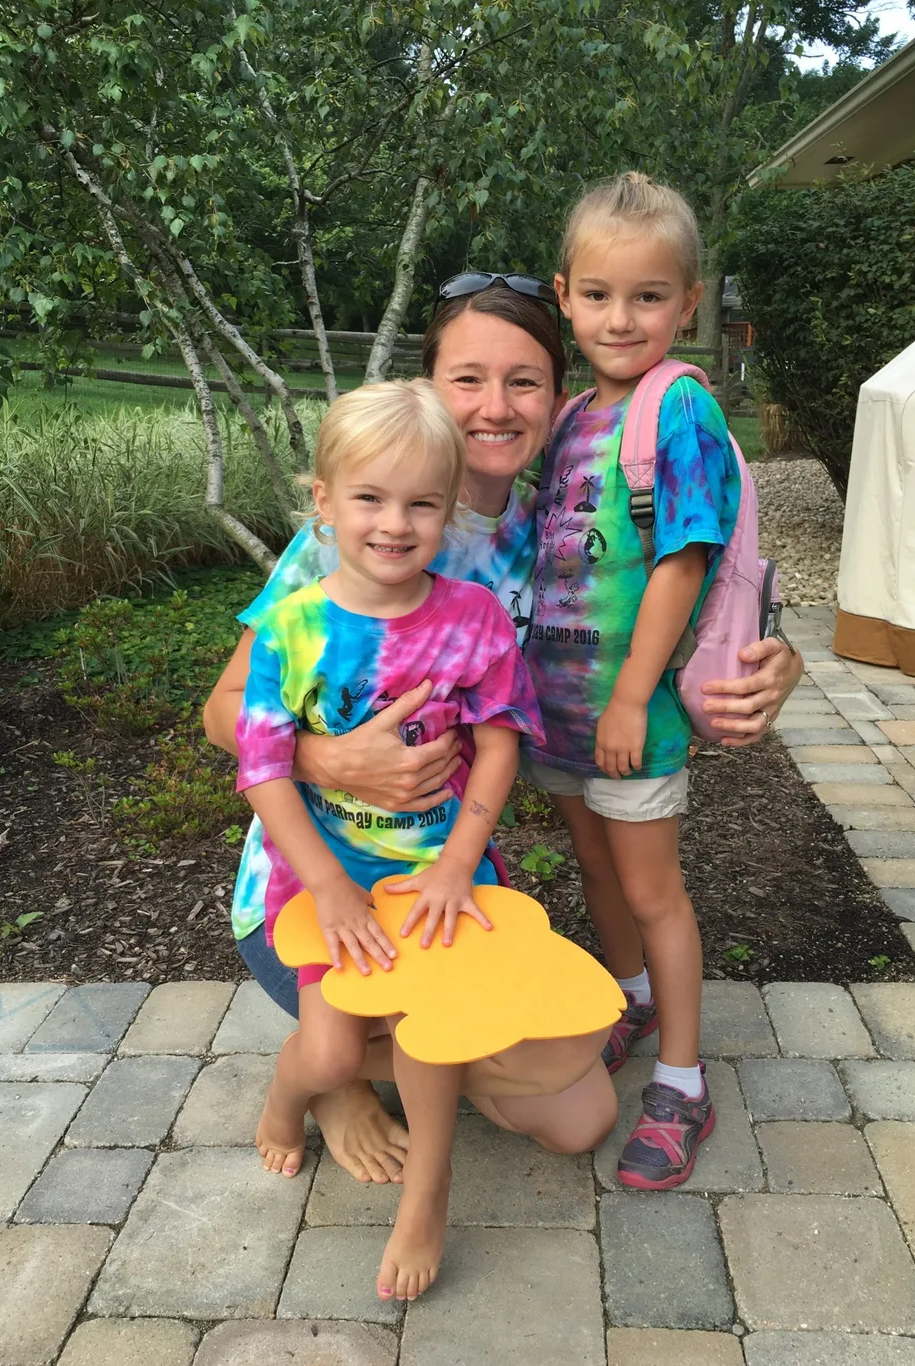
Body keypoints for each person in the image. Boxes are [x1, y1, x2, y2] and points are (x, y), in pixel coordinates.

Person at [203, 274, 804, 1186]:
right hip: (310, 888)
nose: (495, 407)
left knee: (576, 1118)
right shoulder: (363, 530)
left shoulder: (553, 530)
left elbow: (679, 586)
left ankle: (378, 1054)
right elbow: (225, 714)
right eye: (468, 379)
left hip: (443, 878)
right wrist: (331, 759)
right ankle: (331, 1077)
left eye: (524, 381)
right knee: (390, 1045)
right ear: (432, 389)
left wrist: (776, 655)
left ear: (557, 399)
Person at [236, 379, 544, 1300]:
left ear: (451, 513)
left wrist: (459, 863)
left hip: (438, 871)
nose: (395, 523)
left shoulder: (475, 620)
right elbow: (263, 770)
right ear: (323, 502)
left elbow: (499, 745)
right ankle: (288, 1101)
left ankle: (429, 1193)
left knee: (436, 1021)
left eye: (422, 503)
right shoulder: (290, 627)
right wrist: (327, 886)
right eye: (369, 498)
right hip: (328, 875)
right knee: (329, 1054)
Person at [521, 171, 758, 1190]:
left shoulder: (680, 408)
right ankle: (629, 1000)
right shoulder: (572, 413)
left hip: (636, 716)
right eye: (601, 295)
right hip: (558, 714)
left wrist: (628, 696)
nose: (623, 318)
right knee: (595, 868)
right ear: (566, 294)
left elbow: (684, 556)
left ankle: (682, 1081)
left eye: (650, 296)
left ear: (688, 302)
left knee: (653, 888)